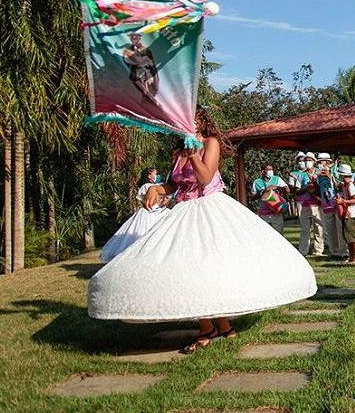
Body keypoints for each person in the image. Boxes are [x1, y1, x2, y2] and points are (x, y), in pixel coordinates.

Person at [88, 107, 317, 352]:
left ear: (201, 120)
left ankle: (215, 326)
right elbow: (173, 184)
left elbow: (206, 177)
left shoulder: (210, 142)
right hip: (184, 212)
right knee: (187, 267)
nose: (188, 123)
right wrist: (156, 189)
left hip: (210, 210)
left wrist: (194, 154)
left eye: (193, 119)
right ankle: (216, 325)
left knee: (209, 266)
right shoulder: (178, 151)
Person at [100, 167, 171, 263]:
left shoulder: (156, 186)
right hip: (150, 213)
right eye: (155, 174)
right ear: (149, 176)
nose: (157, 176)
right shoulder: (148, 186)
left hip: (158, 211)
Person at [317, 153, 347, 258]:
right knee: (330, 230)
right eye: (319, 162)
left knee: (340, 229)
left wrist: (330, 176)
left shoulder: (336, 171)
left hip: (337, 205)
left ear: (328, 162)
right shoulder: (318, 175)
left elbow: (340, 186)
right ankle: (334, 251)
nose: (320, 164)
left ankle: (343, 251)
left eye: (322, 162)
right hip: (326, 206)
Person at [295, 152, 324, 256]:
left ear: (314, 161)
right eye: (306, 160)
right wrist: (306, 187)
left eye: (309, 160)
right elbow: (297, 190)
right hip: (305, 205)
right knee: (305, 229)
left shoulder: (320, 173)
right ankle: (303, 251)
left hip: (318, 204)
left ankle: (318, 251)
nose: (307, 162)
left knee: (319, 228)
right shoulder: (301, 175)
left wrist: (315, 186)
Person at [252, 164, 290, 234]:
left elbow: (287, 190)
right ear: (263, 171)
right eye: (269, 170)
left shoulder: (277, 179)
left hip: (276, 212)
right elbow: (253, 196)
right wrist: (262, 192)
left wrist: (276, 187)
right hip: (263, 214)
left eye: (271, 170)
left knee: (279, 236)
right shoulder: (257, 182)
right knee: (265, 236)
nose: (271, 171)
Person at [123, 32, 159, 105]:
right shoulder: (128, 50)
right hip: (137, 78)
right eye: (131, 37)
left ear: (139, 38)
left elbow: (149, 63)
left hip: (148, 77)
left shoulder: (146, 50)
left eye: (135, 37)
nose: (133, 39)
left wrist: (150, 77)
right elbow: (127, 61)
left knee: (150, 97)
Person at [336, 164, 355, 264]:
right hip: (346, 214)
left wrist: (343, 201)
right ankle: (352, 257)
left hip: (351, 214)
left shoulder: (351, 186)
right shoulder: (344, 186)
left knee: (354, 237)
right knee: (348, 237)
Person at [288, 151, 307, 217]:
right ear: (297, 162)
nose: (302, 162)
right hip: (300, 201)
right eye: (300, 161)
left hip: (313, 201)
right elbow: (292, 188)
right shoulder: (293, 174)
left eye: (304, 160)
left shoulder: (311, 171)